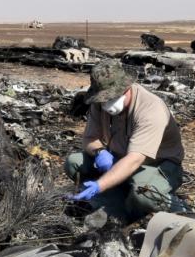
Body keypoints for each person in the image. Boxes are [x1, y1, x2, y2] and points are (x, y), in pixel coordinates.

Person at [66, 59, 185, 221]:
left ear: (126, 87)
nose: (106, 104)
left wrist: (99, 185)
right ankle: (114, 194)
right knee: (74, 162)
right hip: (119, 158)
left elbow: (134, 160)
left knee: (145, 196)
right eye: (103, 98)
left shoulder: (150, 109)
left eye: (110, 97)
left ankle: (168, 206)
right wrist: (100, 152)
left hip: (155, 165)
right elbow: (89, 138)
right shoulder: (98, 103)